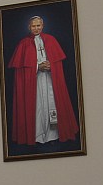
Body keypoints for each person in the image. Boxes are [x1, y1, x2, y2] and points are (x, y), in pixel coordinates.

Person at [7, 16, 80, 146]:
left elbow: (57, 62)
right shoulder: (23, 43)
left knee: (52, 104)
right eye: (33, 26)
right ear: (29, 27)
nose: (36, 28)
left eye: (38, 25)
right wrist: (37, 67)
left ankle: (53, 135)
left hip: (50, 80)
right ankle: (37, 136)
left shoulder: (51, 40)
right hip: (33, 83)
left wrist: (52, 66)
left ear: (42, 26)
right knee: (37, 107)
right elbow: (21, 69)